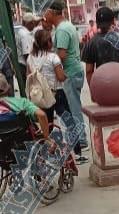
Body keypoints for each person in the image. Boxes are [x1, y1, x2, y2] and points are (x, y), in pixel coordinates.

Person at [26, 29, 88, 164]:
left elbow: (28, 76)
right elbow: (60, 77)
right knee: (69, 122)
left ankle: (45, 153)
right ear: (48, 42)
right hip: (57, 94)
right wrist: (66, 74)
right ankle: (77, 154)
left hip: (41, 96)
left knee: (46, 125)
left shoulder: (30, 58)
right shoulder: (53, 57)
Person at [44, 1, 88, 150]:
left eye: (46, 12)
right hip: (75, 71)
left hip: (69, 73)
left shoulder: (62, 30)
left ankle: (81, 140)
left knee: (73, 108)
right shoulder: (66, 26)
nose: (44, 15)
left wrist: (48, 62)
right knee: (74, 106)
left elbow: (61, 55)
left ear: (53, 12)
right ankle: (79, 138)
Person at [81, 7, 119, 96]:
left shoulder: (91, 43)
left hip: (103, 88)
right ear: (113, 21)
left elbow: (89, 71)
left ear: (97, 23)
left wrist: (93, 92)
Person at [0, 72, 49, 139]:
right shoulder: (22, 102)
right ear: (8, 89)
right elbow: (42, 115)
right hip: (24, 142)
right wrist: (47, 138)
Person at [15, 13, 38, 85]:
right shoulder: (25, 35)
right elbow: (27, 55)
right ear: (29, 23)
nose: (34, 25)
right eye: (33, 23)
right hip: (25, 66)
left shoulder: (22, 32)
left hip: (23, 65)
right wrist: (32, 70)